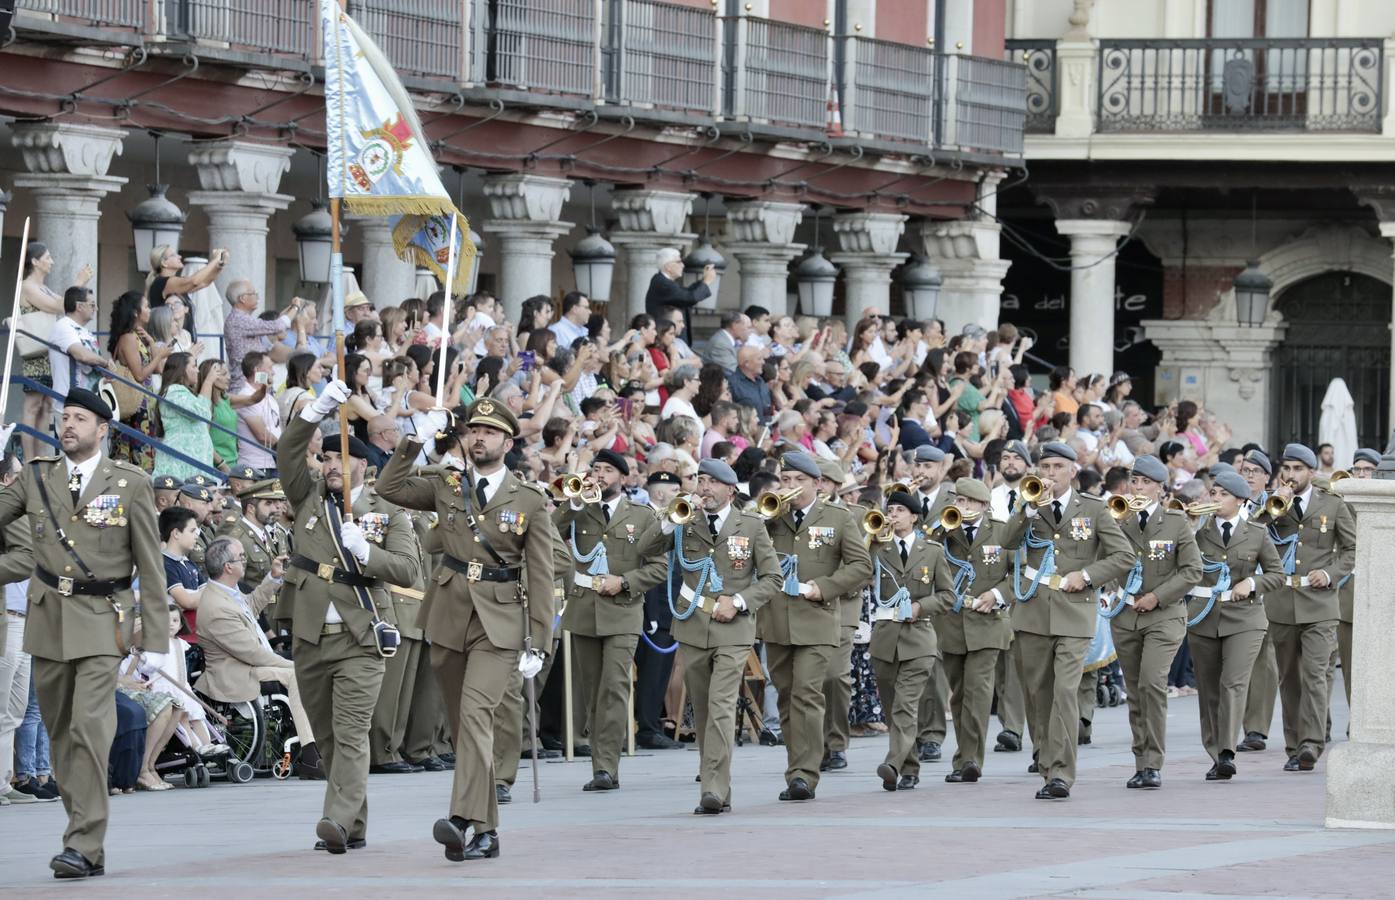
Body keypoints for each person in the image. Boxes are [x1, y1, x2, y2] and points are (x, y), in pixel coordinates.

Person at [376, 398, 555, 861]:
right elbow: (389, 486)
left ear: (508, 442)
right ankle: (487, 831)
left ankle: (462, 818)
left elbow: (539, 572)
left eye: (490, 432)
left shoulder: (529, 500)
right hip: (450, 613)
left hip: (500, 622)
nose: (479, 437)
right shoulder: (447, 485)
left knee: (476, 717)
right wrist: (415, 438)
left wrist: (540, 639)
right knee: (462, 726)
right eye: (473, 430)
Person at [0, 388, 166, 879]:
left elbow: (151, 568)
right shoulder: (36, 477)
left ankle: (81, 841)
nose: (68, 425)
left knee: (89, 731)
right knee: (59, 737)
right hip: (48, 617)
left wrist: (154, 641)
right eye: (64, 417)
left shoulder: (130, 483)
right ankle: (85, 838)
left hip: (103, 619)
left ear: (102, 429)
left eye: (79, 418)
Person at [278, 385, 417, 854]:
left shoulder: (387, 512)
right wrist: (315, 411)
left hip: (362, 637)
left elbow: (407, 570)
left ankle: (334, 820)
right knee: (328, 735)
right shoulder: (308, 499)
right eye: (328, 459)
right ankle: (353, 824)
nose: (331, 466)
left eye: (340, 459)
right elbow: (288, 453)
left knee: (352, 731)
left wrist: (367, 552)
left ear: (364, 465)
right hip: (312, 634)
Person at [1005, 441, 1133, 800]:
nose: (1049, 475)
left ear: (1073, 471)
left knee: (1064, 691)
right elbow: (1006, 542)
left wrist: (1089, 575)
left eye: (1057, 467)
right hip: (1032, 612)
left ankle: (1061, 773)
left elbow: (1123, 556)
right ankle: (1046, 762)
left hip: (1075, 612)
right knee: (1038, 694)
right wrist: (1028, 508)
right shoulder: (1028, 503)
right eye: (1044, 467)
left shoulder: (1092, 509)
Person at [761, 451, 872, 802]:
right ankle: (796, 766)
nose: (790, 487)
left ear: (817, 484)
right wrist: (761, 516)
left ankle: (805, 776)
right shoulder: (771, 516)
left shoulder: (838, 518)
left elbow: (860, 566)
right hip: (778, 621)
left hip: (818, 619)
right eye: (786, 480)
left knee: (807, 693)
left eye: (798, 481)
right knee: (786, 696)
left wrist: (822, 587)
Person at [670, 458, 779, 814]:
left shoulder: (750, 525)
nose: (703, 488)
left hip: (734, 628)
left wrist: (740, 601)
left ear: (730, 489)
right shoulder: (686, 521)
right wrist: (666, 520)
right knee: (702, 709)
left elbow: (772, 579)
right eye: (700, 480)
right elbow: (646, 551)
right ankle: (717, 784)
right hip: (693, 626)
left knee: (719, 706)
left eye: (711, 482)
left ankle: (713, 788)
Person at [555, 449, 667, 791]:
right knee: (592, 691)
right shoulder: (579, 508)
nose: (599, 476)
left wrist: (626, 582)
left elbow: (659, 566)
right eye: (596, 469)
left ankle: (607, 766)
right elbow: (546, 533)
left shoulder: (642, 515)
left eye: (606, 470)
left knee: (615, 687)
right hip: (584, 609)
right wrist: (572, 503)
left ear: (623, 476)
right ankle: (600, 764)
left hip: (622, 608)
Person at [1107, 455, 1202, 790]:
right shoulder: (1119, 519)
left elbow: (1192, 570)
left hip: (1164, 616)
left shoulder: (1175, 522)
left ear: (1160, 489)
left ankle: (1154, 762)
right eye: (1135, 481)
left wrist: (1158, 596)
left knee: (1151, 683)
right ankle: (1140, 761)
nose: (1138, 487)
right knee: (1135, 691)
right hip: (1126, 616)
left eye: (1146, 482)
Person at [1186, 470, 1286, 781]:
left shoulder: (1256, 532)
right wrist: (1187, 527)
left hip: (1245, 618)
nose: (1214, 498)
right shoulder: (1198, 531)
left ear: (1240, 500)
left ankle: (1227, 752)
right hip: (1204, 618)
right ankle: (1216, 751)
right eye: (1213, 492)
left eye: (1222, 494)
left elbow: (1277, 574)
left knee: (1233, 682)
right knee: (1209, 689)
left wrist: (1253, 583)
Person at [1264, 443, 1355, 772]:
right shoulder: (1273, 505)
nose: (1290, 475)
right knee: (1289, 679)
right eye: (1286, 469)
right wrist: (1273, 508)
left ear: (1311, 472)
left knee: (1315, 675)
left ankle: (1311, 744)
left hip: (1320, 605)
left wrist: (1330, 573)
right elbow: (1252, 534)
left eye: (1297, 469)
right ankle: (1293, 744)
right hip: (1282, 603)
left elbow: (1351, 549)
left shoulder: (1332, 504)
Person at [195, 535, 318, 768]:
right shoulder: (216, 605)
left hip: (250, 662)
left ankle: (316, 741)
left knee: (312, 662)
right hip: (236, 672)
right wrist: (290, 665)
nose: (245, 561)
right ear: (228, 567)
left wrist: (273, 577)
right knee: (296, 673)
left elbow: (249, 607)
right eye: (241, 558)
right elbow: (252, 653)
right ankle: (310, 753)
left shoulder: (227, 592)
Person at [869, 490, 955, 791]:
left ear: (914, 516)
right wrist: (870, 543)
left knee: (905, 706)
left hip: (919, 640)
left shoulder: (931, 550)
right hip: (884, 640)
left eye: (899, 510)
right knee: (894, 707)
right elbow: (861, 576)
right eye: (889, 509)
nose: (893, 515)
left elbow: (948, 595)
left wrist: (921, 606)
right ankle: (910, 768)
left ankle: (892, 762)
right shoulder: (878, 548)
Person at [935, 478, 1016, 783]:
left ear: (983, 505)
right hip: (952, 625)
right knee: (958, 696)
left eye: (969, 502)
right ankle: (964, 753)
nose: (962, 507)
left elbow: (1016, 573)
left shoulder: (1001, 531)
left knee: (978, 692)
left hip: (988, 623)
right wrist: (941, 532)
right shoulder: (943, 531)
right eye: (958, 501)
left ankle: (969, 759)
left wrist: (997, 595)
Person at [19, 243, 92, 461]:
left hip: (48, 352)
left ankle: (42, 455)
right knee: (33, 405)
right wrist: (78, 283)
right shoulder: (27, 286)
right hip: (35, 350)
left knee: (46, 404)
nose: (51, 261)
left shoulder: (43, 287)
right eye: (47, 257)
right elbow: (58, 306)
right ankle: (29, 459)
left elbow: (59, 303)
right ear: (35, 261)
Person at [634, 471, 683, 750]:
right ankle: (646, 728)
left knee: (660, 671)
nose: (680, 494)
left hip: (669, 606)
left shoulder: (677, 516)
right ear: (659, 493)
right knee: (649, 671)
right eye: (675, 489)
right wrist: (650, 612)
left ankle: (651, 725)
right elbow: (646, 566)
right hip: (648, 606)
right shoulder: (643, 517)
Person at [0, 451, 36, 804]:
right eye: (17, 475)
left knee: (15, 708)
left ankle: (3, 782)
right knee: (3, 705)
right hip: (7, 618)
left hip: (26, 619)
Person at [109, 290, 173, 471]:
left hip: (145, 405)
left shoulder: (139, 336)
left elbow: (159, 370)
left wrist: (152, 344)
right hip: (135, 406)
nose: (149, 310)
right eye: (146, 306)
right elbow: (139, 375)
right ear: (135, 312)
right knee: (135, 458)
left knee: (145, 456)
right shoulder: (128, 337)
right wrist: (160, 354)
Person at [151, 352, 216, 482]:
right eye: (194, 366)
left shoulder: (183, 392)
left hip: (190, 462)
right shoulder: (174, 391)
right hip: (180, 462)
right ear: (182, 369)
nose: (197, 371)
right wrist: (208, 381)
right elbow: (201, 413)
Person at [224, 283, 303, 390]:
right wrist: (296, 308)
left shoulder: (243, 319)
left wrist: (291, 308)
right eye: (253, 294)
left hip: (254, 381)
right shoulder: (239, 319)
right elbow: (277, 326)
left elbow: (275, 328)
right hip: (245, 385)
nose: (257, 297)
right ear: (242, 298)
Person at [47, 286, 107, 426]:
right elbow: (82, 355)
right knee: (73, 446)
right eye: (92, 304)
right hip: (69, 403)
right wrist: (105, 363)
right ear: (79, 306)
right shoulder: (63, 326)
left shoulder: (86, 332)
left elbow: (92, 361)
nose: (96, 308)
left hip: (88, 402)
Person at [645, 247, 714, 342]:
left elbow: (687, 293)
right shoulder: (662, 283)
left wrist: (703, 280)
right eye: (679, 262)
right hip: (666, 340)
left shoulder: (665, 281)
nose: (682, 265)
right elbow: (689, 298)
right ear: (668, 266)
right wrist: (706, 282)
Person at [145, 244, 226, 309]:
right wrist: (215, 260)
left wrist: (219, 265)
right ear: (164, 263)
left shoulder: (172, 282)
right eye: (173, 255)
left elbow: (205, 282)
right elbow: (194, 281)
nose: (179, 256)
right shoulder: (163, 282)